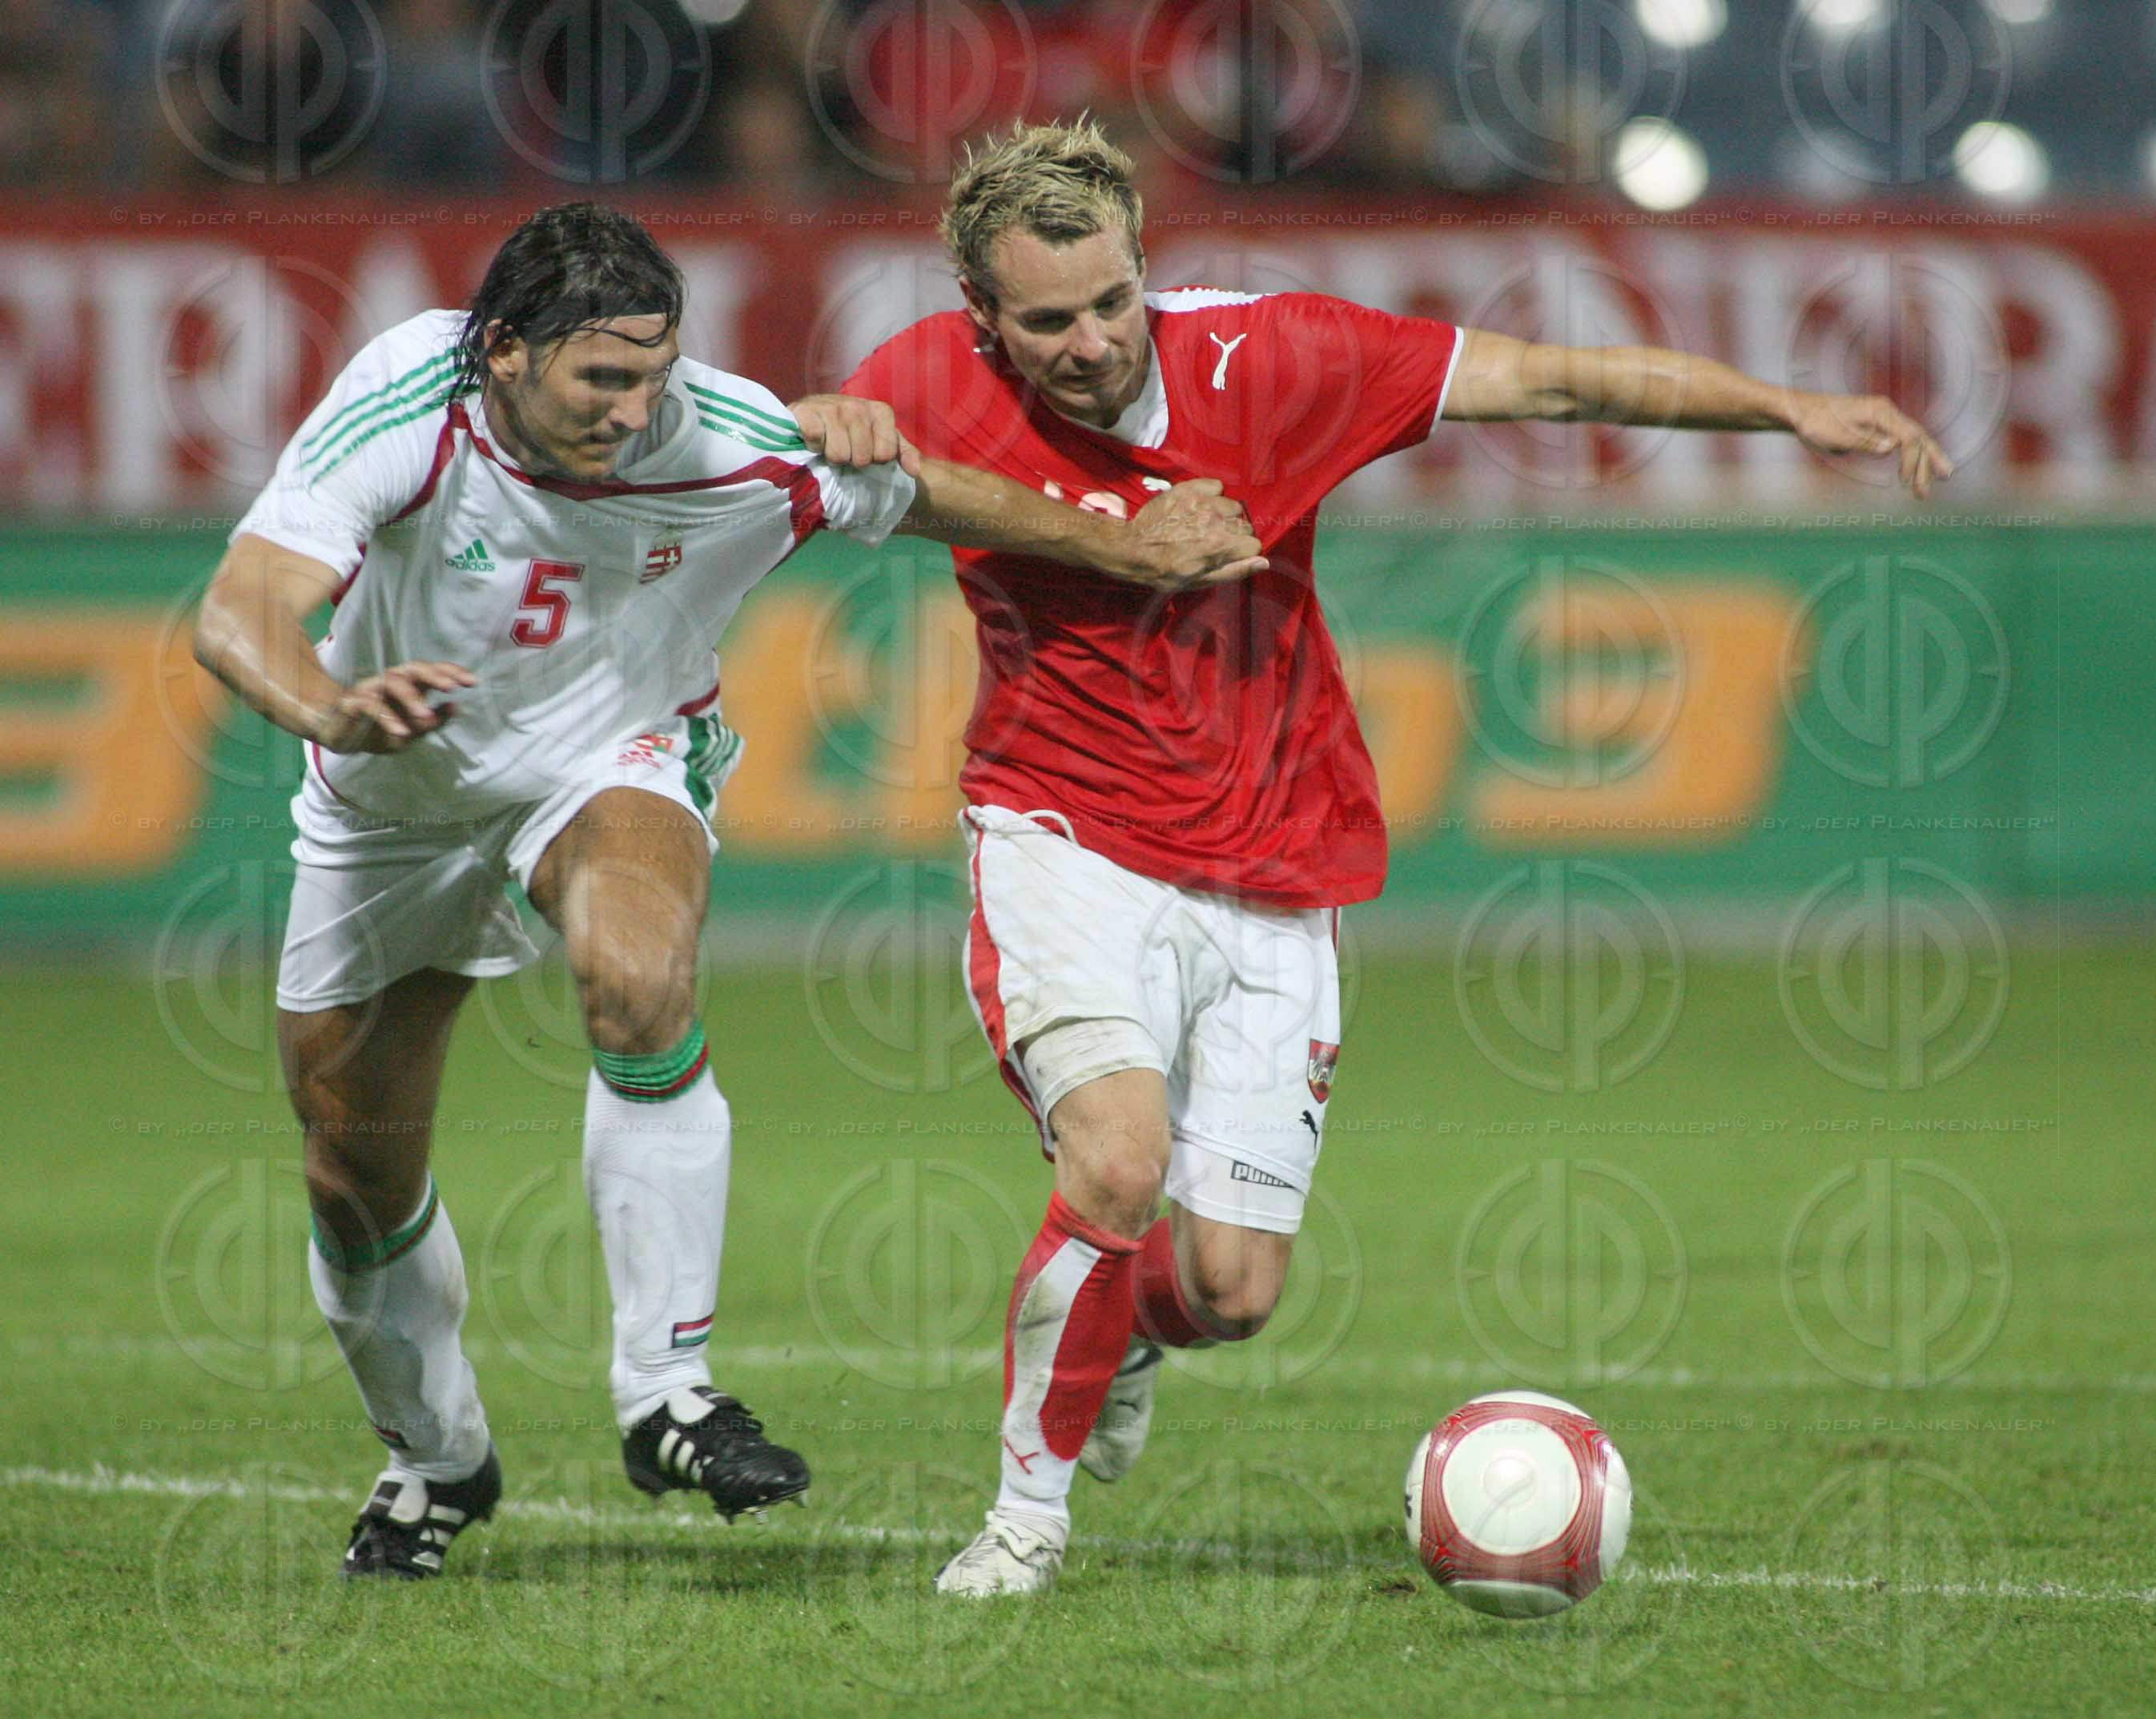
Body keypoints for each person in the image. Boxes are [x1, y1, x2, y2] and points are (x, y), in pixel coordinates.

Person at [841, 118, 1955, 1596]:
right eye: (1046, 320)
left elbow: (1549, 378)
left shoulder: (1280, 360)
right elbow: (791, 447)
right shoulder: (922, 382)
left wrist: (1789, 408)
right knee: (1116, 1160)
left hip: (1271, 851)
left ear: (1142, 268)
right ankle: (1022, 1521)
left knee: (1231, 1291)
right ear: (983, 317)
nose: (1091, 340)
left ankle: (1113, 1336)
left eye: (1112, 301)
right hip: (1063, 836)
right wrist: (832, 431)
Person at [191, 200, 1265, 1580]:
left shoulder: (717, 433)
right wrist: (333, 707)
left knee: (637, 972)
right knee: (352, 1171)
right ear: (503, 353)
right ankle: (433, 1456)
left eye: (656, 372)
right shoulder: (411, 397)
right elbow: (240, 610)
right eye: (604, 379)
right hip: (386, 799)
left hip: (609, 753)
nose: (639, 410)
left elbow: (924, 491)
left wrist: (1125, 543)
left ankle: (667, 1393)